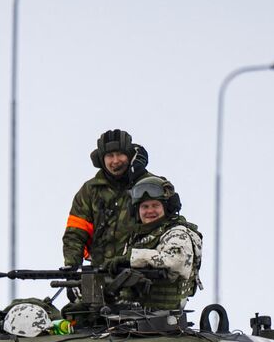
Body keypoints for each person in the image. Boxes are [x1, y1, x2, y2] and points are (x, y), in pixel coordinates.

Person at [107, 175, 202, 311]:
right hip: (136, 313)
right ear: (137, 211)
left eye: (155, 205)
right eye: (144, 207)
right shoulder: (138, 237)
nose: (150, 211)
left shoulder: (177, 233)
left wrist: (133, 258)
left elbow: (176, 261)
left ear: (167, 208)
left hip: (163, 317)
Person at [62, 128, 149, 271]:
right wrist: (72, 267)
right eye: (110, 155)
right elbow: (76, 233)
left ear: (129, 155)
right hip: (100, 273)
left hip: (141, 274)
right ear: (101, 159)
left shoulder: (149, 185)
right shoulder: (90, 190)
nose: (115, 161)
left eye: (120, 154)